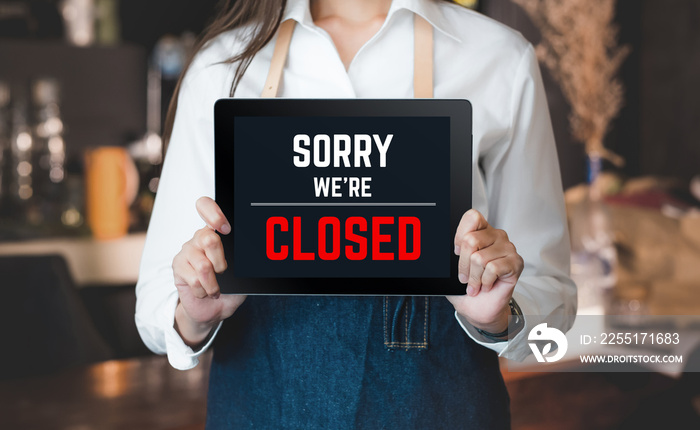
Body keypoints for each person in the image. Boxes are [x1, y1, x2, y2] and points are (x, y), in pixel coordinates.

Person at [135, 0, 577, 427]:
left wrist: (500, 316)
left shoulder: (499, 56)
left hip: (440, 406)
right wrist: (195, 311)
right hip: (263, 408)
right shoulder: (222, 65)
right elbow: (157, 302)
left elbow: (548, 289)